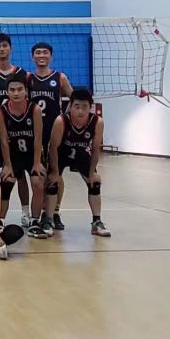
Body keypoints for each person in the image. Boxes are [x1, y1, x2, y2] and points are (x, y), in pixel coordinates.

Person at [0, 33, 29, 225]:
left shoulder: (22, 74)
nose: (2, 49)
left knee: (20, 173)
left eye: (5, 46)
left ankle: (25, 213)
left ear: (11, 48)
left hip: (17, 132)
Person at [48, 88, 110, 237]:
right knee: (52, 181)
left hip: (81, 153)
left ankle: (96, 222)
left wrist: (92, 172)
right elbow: (53, 148)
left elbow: (95, 149)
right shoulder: (61, 121)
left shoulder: (97, 122)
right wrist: (55, 172)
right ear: (70, 105)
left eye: (84, 107)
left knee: (95, 182)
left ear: (90, 107)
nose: (80, 111)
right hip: (61, 153)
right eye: (77, 106)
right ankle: (49, 219)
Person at [28, 42, 73, 234]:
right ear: (32, 57)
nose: (41, 55)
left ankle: (55, 212)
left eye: (45, 52)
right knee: (40, 176)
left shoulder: (60, 77)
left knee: (56, 174)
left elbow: (74, 97)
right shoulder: (28, 78)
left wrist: (65, 117)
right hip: (35, 133)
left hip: (55, 133)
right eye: (38, 53)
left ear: (51, 56)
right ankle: (40, 214)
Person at [0, 77, 44, 234]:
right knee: (7, 181)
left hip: (31, 154)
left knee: (38, 181)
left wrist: (37, 163)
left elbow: (38, 138)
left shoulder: (34, 109)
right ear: (7, 92)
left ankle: (35, 220)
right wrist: (8, 165)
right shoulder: (1, 112)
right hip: (13, 155)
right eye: (12, 90)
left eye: (19, 89)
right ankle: (0, 221)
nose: (16, 93)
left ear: (26, 91)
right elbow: (3, 141)